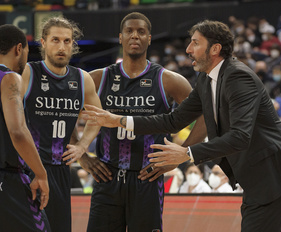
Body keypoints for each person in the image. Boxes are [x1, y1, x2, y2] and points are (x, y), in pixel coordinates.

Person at [83, 19, 281, 232]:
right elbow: (173, 120)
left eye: (195, 43)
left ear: (214, 49)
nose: (189, 49)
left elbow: (240, 136)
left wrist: (187, 153)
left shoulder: (239, 77)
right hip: (254, 174)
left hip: (271, 173)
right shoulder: (206, 78)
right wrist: (119, 121)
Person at [78, 12, 196, 232]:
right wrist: (83, 157)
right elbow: (62, 114)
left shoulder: (168, 80)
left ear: (149, 39)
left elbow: (205, 115)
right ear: (120, 37)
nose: (135, 36)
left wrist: (182, 154)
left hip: (147, 179)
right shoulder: (97, 78)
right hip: (107, 176)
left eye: (141, 31)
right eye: (129, 31)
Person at [21, 17, 102, 232]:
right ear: (43, 42)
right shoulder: (28, 73)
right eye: (55, 40)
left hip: (60, 169)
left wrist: (83, 146)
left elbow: (98, 117)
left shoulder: (82, 79)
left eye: (67, 41)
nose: (62, 46)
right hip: (29, 167)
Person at [0, 24, 51, 231]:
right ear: (18, 49)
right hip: (7, 181)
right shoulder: (9, 78)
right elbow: (17, 131)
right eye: (27, 53)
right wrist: (41, 174)